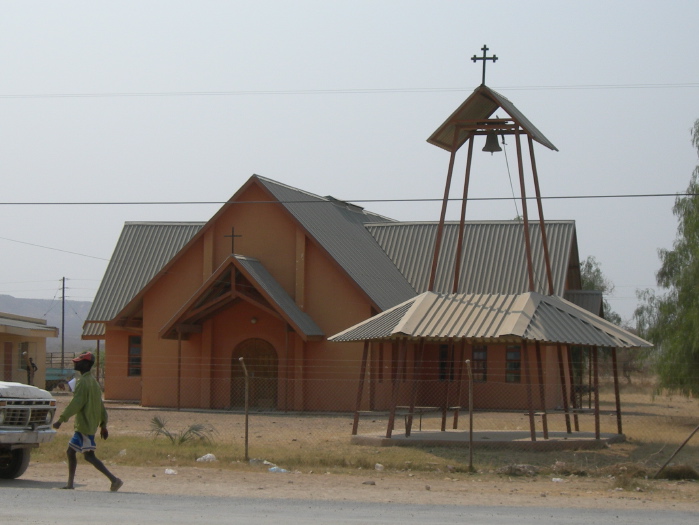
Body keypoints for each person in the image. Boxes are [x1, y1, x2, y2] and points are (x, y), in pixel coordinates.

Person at [52, 351, 123, 492]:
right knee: (71, 452)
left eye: (78, 361)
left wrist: (61, 419)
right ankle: (70, 484)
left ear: (85, 364)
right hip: (89, 424)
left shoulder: (83, 383)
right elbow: (101, 406)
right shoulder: (94, 383)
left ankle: (114, 480)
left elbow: (76, 403)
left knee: (89, 456)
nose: (75, 363)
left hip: (84, 425)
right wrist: (103, 424)